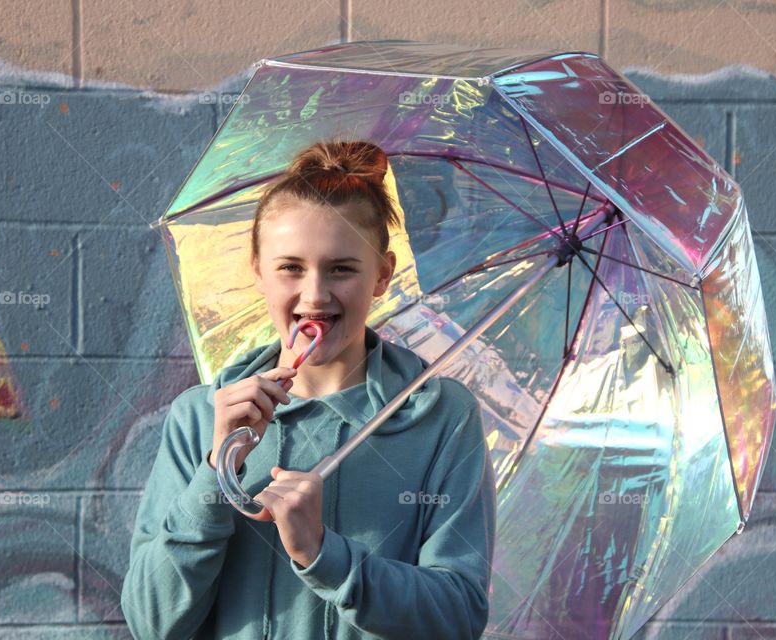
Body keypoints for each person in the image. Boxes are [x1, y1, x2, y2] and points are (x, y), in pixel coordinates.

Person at [121, 139, 497, 640]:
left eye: (342, 268)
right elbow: (152, 622)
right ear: (257, 270)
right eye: (291, 267)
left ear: (382, 274)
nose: (315, 295)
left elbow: (458, 617)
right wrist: (217, 475)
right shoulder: (200, 415)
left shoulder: (440, 416)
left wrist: (324, 554)